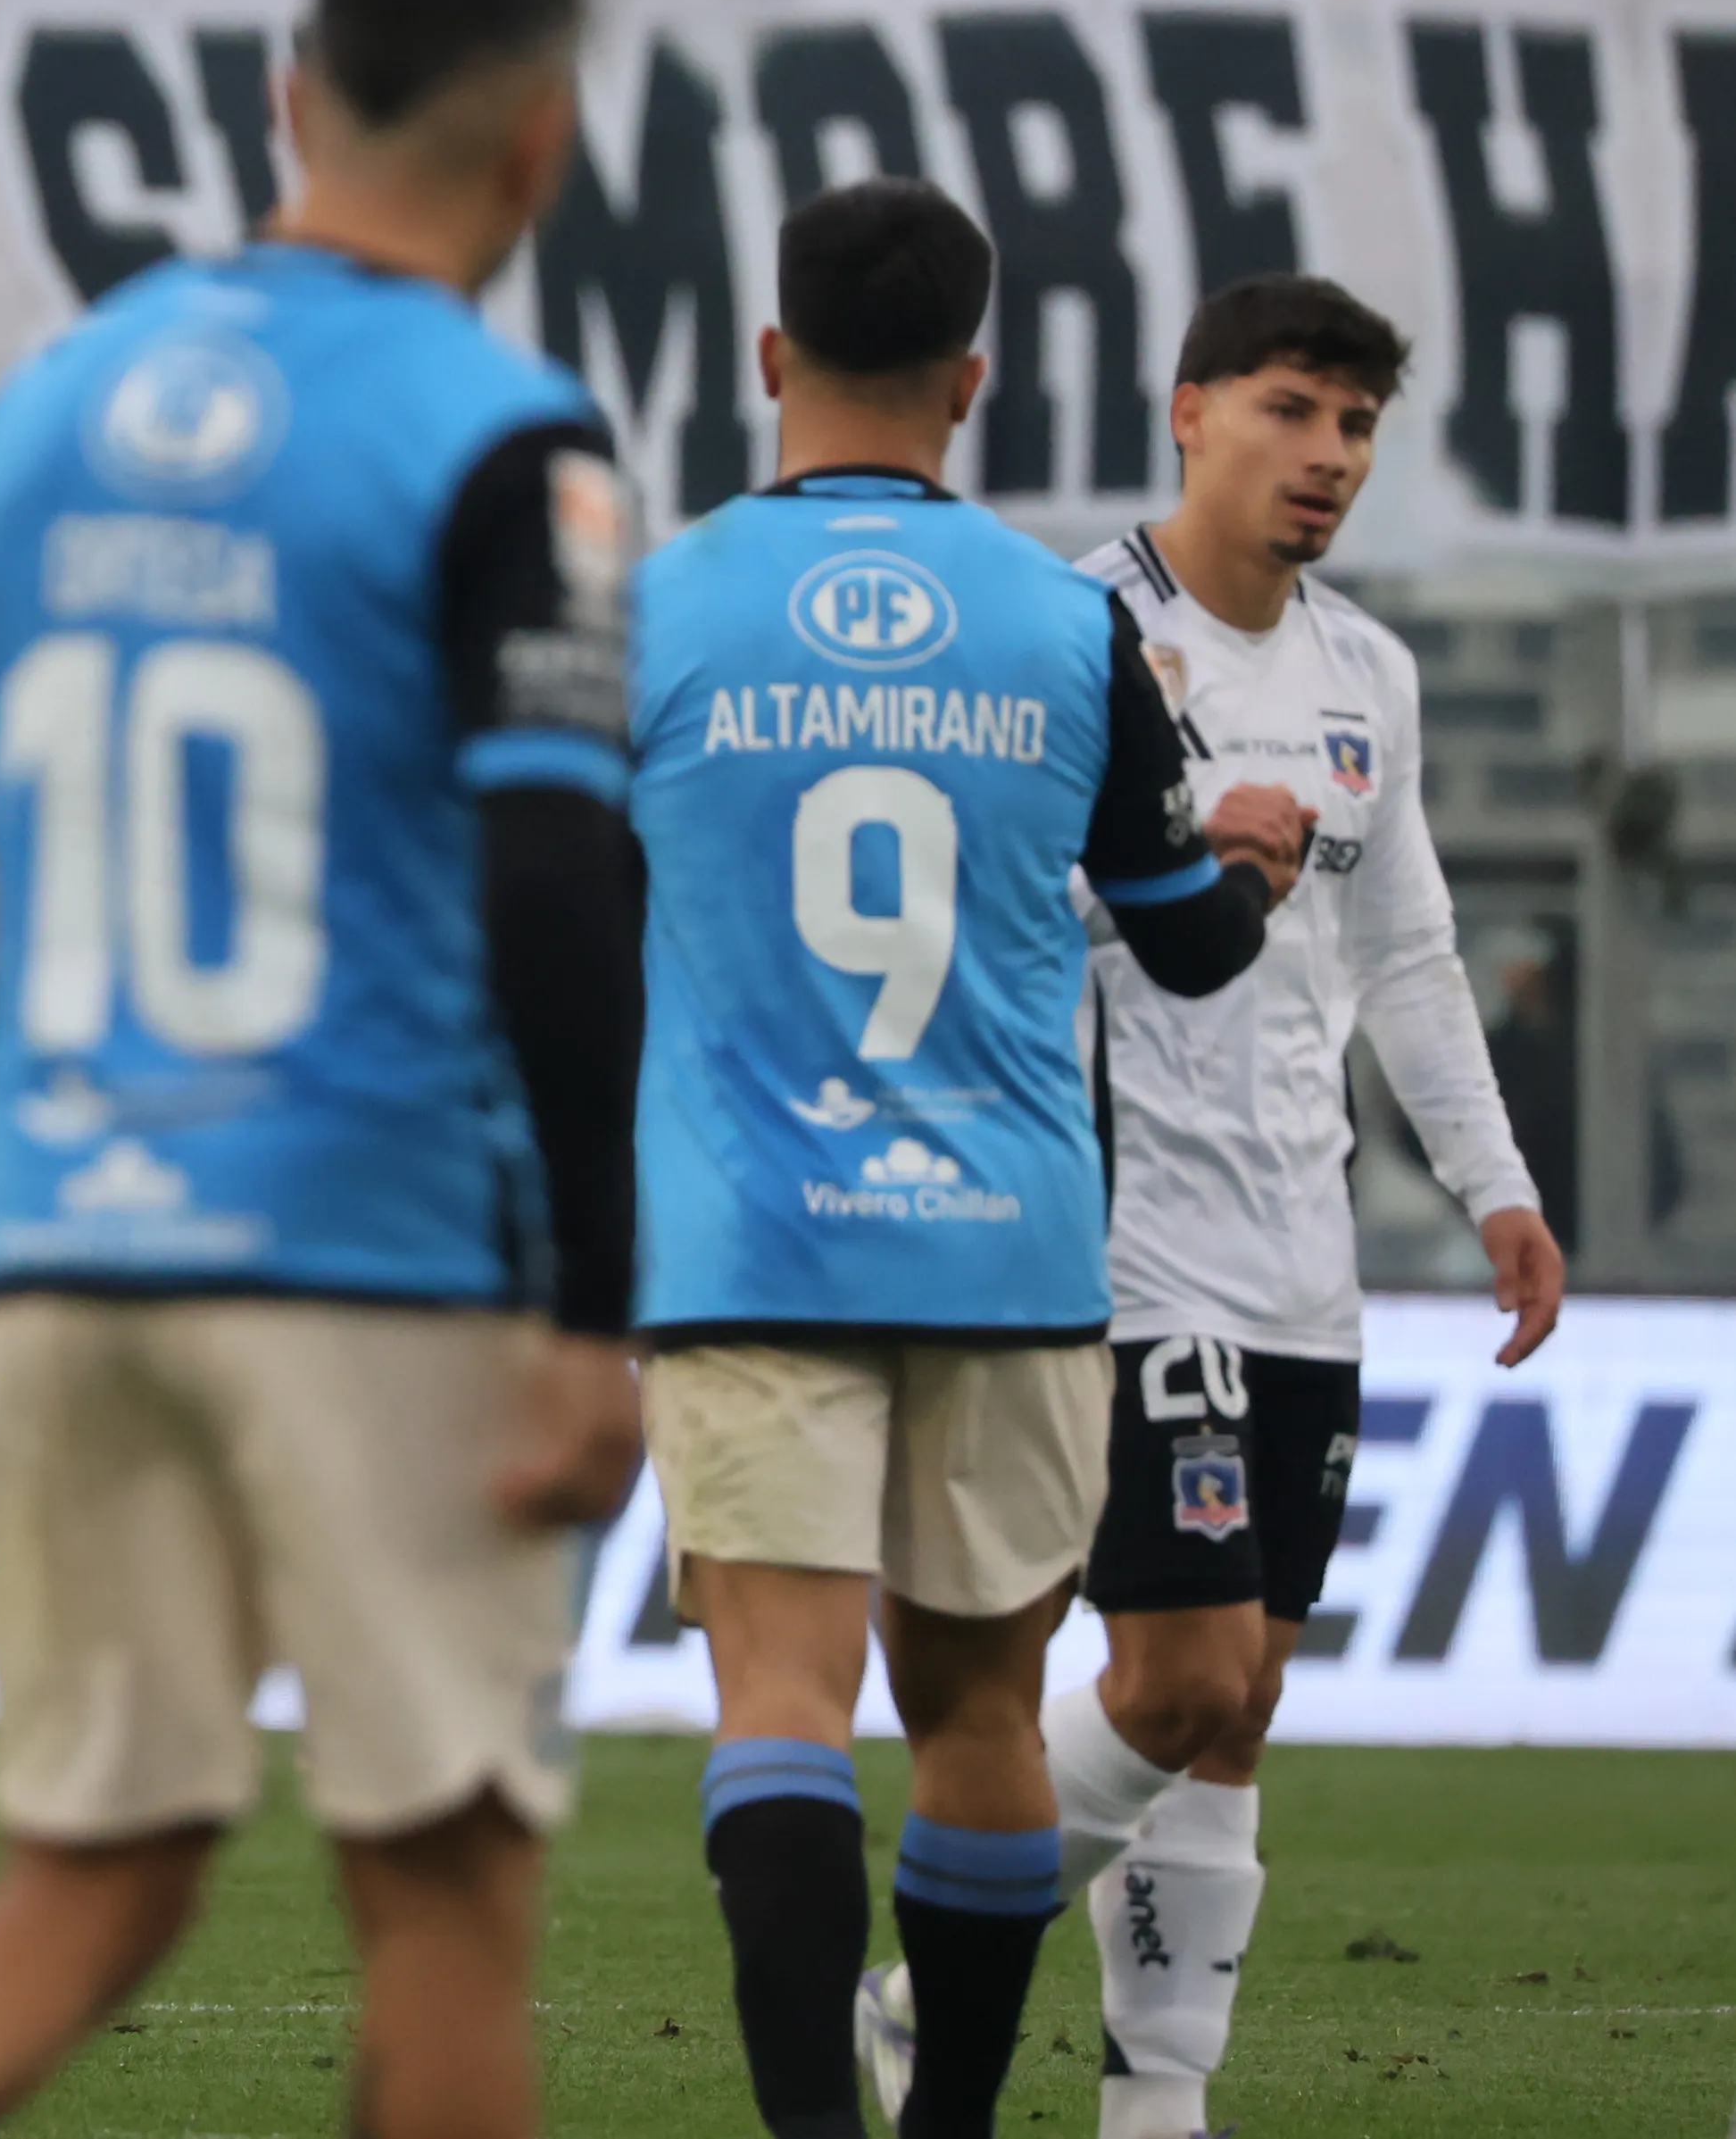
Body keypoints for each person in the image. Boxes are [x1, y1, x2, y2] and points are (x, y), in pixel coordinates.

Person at [0, 0, 644, 2139]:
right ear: (539, 146)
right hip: (367, 1243)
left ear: (289, 101)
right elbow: (556, 876)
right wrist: (598, 1297)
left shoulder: (51, 401)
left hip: (73, 1232)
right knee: (446, 1900)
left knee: (81, 1885)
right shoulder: (503, 433)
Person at [854, 277, 1566, 2139]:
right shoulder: (1063, 632)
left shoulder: (1367, 676)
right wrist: (1156, 877)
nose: (1323, 456)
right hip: (1115, 1231)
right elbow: (963, 921)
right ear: (1187, 412)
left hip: (1299, 1254)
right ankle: (927, 1984)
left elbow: (1405, 954)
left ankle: (1154, 2106)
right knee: (1176, 1674)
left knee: (1239, 1703)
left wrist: (1492, 1185)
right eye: (1288, 410)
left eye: (1352, 425)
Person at [626, 178, 1290, 2139]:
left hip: (750, 1228)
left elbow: (561, 924)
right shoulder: (1067, 625)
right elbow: (1178, 947)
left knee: (779, 1699)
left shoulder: (655, 605)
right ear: (972, 382)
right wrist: (1238, 859)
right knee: (981, 1715)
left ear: (769, 360)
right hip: (1007, 1236)